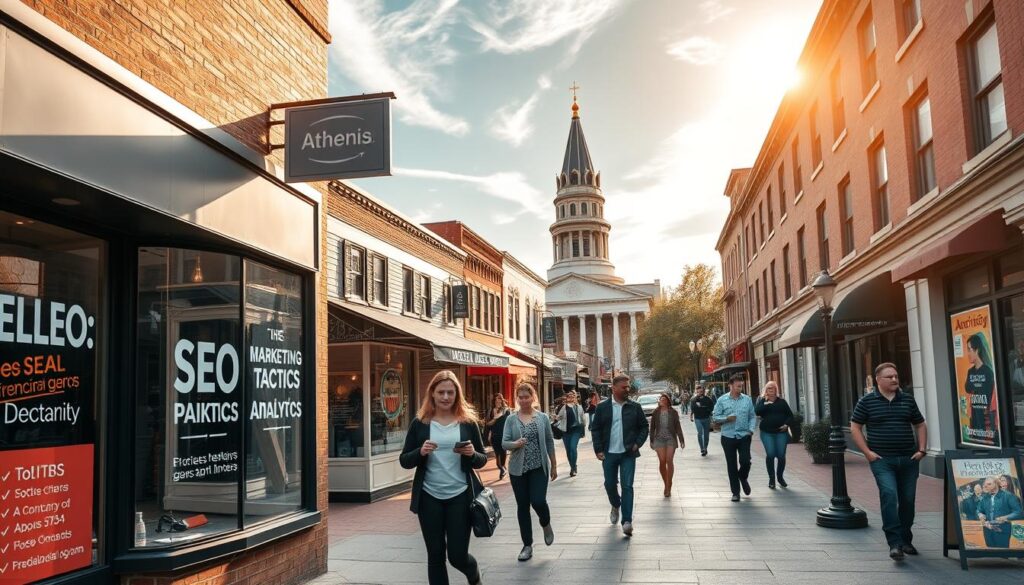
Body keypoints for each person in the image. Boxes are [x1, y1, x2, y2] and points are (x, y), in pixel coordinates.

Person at [399, 370, 486, 585]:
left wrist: (472, 454)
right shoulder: (420, 423)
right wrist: (420, 452)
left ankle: (473, 573)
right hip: (429, 496)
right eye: (441, 392)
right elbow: (404, 460)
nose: (446, 397)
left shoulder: (467, 423)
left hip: (460, 496)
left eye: (450, 392)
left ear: (457, 394)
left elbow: (482, 459)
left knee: (457, 556)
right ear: (432, 394)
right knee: (435, 555)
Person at [850, 362, 928, 562]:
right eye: (889, 377)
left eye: (896, 376)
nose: (894, 379)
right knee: (889, 495)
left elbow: (920, 424)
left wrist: (922, 449)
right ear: (878, 380)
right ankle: (894, 543)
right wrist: (867, 453)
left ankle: (905, 539)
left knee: (908, 501)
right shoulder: (867, 402)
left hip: (909, 459)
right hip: (882, 460)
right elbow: (855, 427)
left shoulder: (907, 400)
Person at [501, 383, 557, 561]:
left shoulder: (542, 418)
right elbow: (504, 443)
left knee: (538, 501)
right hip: (518, 470)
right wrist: (515, 444)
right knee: (522, 506)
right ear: (517, 399)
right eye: (520, 397)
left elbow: (549, 441)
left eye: (527, 396)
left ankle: (545, 522)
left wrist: (554, 465)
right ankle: (527, 545)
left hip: (538, 467)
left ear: (533, 397)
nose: (524, 400)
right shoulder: (511, 419)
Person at [590, 375, 649, 536]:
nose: (627, 390)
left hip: (628, 453)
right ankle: (615, 504)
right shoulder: (603, 407)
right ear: (614, 388)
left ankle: (627, 521)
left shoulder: (634, 407)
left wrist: (638, 443)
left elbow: (644, 427)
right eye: (624, 387)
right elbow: (595, 429)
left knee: (627, 486)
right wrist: (598, 449)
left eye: (628, 387)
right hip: (608, 453)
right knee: (609, 484)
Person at [711, 374, 757, 502]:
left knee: (745, 461)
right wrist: (726, 418)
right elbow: (715, 417)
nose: (739, 388)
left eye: (741, 386)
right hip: (728, 436)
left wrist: (751, 430)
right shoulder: (722, 400)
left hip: (744, 435)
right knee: (731, 465)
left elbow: (752, 416)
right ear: (730, 385)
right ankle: (735, 492)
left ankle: (743, 477)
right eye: (737, 386)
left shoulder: (747, 399)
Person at [755, 381, 794, 489]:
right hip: (767, 432)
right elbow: (757, 412)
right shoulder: (763, 401)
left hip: (781, 432)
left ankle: (780, 477)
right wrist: (766, 403)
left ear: (776, 390)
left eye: (772, 388)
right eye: (768, 388)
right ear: (765, 390)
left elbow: (790, 416)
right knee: (771, 454)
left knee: (781, 456)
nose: (770, 390)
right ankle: (771, 479)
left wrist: (786, 425)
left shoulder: (782, 402)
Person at [649, 392, 685, 497]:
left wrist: (681, 439)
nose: (662, 401)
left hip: (670, 438)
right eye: (661, 399)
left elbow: (677, 426)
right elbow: (652, 428)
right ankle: (666, 483)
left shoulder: (673, 412)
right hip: (659, 439)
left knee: (669, 460)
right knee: (662, 461)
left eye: (664, 400)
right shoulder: (655, 412)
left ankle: (669, 485)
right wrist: (651, 440)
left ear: (668, 401)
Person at [964, 332, 997, 442]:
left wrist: (975, 386)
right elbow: (967, 388)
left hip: (986, 418)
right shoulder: (970, 371)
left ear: (977, 350)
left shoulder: (988, 371)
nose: (967, 353)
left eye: (969, 349)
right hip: (974, 417)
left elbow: (988, 393)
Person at [977, 476, 1023, 548]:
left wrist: (1005, 517)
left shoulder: (1008, 496)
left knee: (1003, 555)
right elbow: (979, 510)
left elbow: (1018, 512)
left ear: (996, 484)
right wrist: (981, 515)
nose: (986, 486)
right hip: (987, 530)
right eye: (985, 485)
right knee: (991, 554)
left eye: (989, 484)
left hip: (1002, 529)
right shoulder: (984, 497)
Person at [553, 390, 586, 477]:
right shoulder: (564, 407)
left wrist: (583, 428)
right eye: (569, 396)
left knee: (572, 448)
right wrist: (555, 417)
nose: (571, 397)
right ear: (567, 398)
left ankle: (574, 467)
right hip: (566, 431)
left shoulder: (579, 407)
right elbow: (559, 417)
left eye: (573, 396)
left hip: (576, 431)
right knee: (568, 451)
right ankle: (572, 467)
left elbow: (583, 418)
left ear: (575, 398)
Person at [483, 393, 511, 479]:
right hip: (494, 436)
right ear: (493, 401)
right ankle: (502, 468)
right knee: (497, 454)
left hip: (504, 436)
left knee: (503, 453)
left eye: (499, 399)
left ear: (502, 400)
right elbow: (487, 424)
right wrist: (487, 435)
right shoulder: (490, 410)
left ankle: (503, 468)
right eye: (495, 400)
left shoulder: (506, 410)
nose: (497, 401)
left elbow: (510, 423)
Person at [690, 383, 716, 456]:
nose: (699, 393)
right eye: (698, 392)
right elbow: (692, 409)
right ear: (696, 392)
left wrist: (707, 409)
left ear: (704, 392)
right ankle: (702, 448)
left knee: (706, 435)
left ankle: (705, 448)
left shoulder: (708, 399)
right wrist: (691, 416)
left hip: (706, 418)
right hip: (697, 418)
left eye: (701, 392)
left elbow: (712, 407)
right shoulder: (693, 400)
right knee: (700, 433)